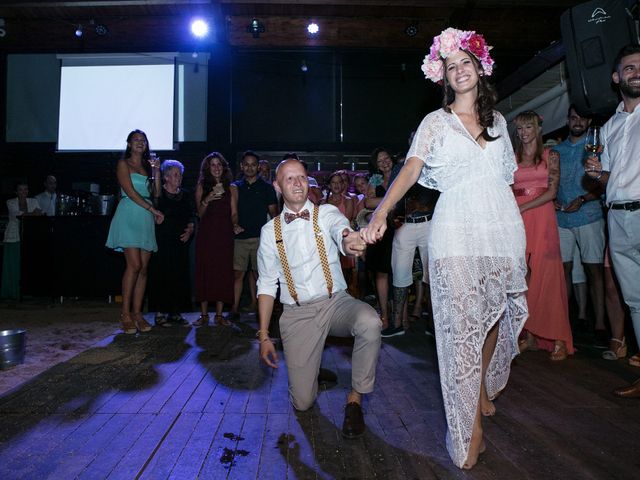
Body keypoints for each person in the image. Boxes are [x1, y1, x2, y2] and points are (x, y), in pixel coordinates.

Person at [361, 28, 528, 469]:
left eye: (465, 63)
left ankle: (476, 397)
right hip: (454, 231)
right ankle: (468, 428)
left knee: (491, 320)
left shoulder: (499, 123)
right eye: (450, 66)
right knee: (460, 331)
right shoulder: (434, 123)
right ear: (444, 76)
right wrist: (381, 214)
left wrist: (518, 239)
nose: (458, 71)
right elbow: (411, 170)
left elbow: (506, 184)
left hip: (501, 230)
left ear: (479, 68)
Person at [257, 158, 381, 438]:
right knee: (302, 403)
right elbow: (266, 284)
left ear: (308, 181)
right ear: (277, 186)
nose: (297, 183)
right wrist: (264, 335)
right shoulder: (269, 233)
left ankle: (354, 399)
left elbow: (342, 231)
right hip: (297, 314)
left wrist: (350, 241)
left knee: (370, 322)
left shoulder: (325, 213)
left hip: (335, 302)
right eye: (289, 179)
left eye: (301, 177)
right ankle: (311, 371)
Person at [585, 44, 640, 398]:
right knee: (635, 300)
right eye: (630, 68)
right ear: (617, 77)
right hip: (617, 217)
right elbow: (609, 178)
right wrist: (597, 174)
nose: (637, 72)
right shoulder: (609, 127)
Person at [512, 110, 574, 360]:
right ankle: (529, 335)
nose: (524, 133)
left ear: (538, 128)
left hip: (542, 217)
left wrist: (523, 207)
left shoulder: (552, 155)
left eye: (528, 127)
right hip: (518, 221)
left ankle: (558, 337)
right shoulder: (512, 158)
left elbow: (551, 192)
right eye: (520, 129)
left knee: (549, 275)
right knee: (523, 277)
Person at [554, 105, 607, 347]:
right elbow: (550, 182)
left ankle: (600, 324)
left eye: (582, 118)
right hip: (562, 219)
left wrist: (584, 199)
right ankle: (567, 319)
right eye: (573, 118)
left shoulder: (596, 145)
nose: (577, 122)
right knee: (563, 271)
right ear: (568, 120)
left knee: (594, 270)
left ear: (588, 121)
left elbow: (607, 180)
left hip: (589, 216)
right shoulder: (557, 150)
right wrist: (552, 197)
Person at [106, 130, 164, 334]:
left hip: (146, 217)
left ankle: (138, 314)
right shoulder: (124, 164)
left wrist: (157, 172)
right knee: (135, 264)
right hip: (130, 213)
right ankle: (125, 314)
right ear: (129, 144)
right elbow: (130, 192)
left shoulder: (148, 167)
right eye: (136, 140)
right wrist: (152, 209)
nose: (140, 143)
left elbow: (156, 193)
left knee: (144, 268)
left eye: (143, 140)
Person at [193, 152, 239, 328]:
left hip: (224, 234)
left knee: (222, 272)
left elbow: (234, 213)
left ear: (224, 167)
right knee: (205, 271)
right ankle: (204, 314)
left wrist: (235, 225)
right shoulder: (201, 186)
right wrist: (208, 199)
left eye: (219, 164)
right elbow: (199, 214)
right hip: (207, 234)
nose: (216, 167)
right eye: (213, 165)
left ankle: (219, 315)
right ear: (207, 168)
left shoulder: (232, 188)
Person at [230, 151, 278, 318]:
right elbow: (231, 212)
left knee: (260, 275)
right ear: (242, 166)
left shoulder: (267, 188)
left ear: (258, 167)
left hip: (261, 239)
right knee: (238, 275)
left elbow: (274, 214)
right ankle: (234, 309)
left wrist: (277, 238)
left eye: (253, 164)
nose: (250, 167)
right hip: (240, 239)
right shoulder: (235, 187)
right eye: (247, 164)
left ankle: (260, 308)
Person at [148, 159, 195, 326]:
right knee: (162, 275)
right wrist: (155, 170)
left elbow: (191, 216)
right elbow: (155, 200)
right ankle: (160, 312)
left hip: (180, 242)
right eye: (175, 174)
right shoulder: (159, 194)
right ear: (166, 177)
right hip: (163, 241)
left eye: (180, 174)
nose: (179, 177)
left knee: (179, 276)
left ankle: (175, 312)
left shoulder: (186, 195)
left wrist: (190, 229)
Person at [364, 148, 396, 331]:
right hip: (381, 232)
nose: (384, 163)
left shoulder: (400, 175)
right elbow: (368, 203)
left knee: (399, 274)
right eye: (380, 161)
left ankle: (400, 316)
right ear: (376, 166)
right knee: (381, 273)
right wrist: (391, 201)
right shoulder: (375, 180)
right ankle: (384, 315)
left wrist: (381, 201)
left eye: (386, 159)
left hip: (400, 228)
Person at [1, 182, 42, 299]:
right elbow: (17, 216)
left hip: (29, 237)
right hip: (13, 237)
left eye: (25, 190)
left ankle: (28, 291)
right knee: (13, 265)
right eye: (20, 190)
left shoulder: (33, 201)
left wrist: (31, 215)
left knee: (27, 265)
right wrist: (32, 214)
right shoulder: (10, 202)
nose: (23, 192)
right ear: (16, 192)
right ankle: (12, 292)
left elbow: (39, 214)